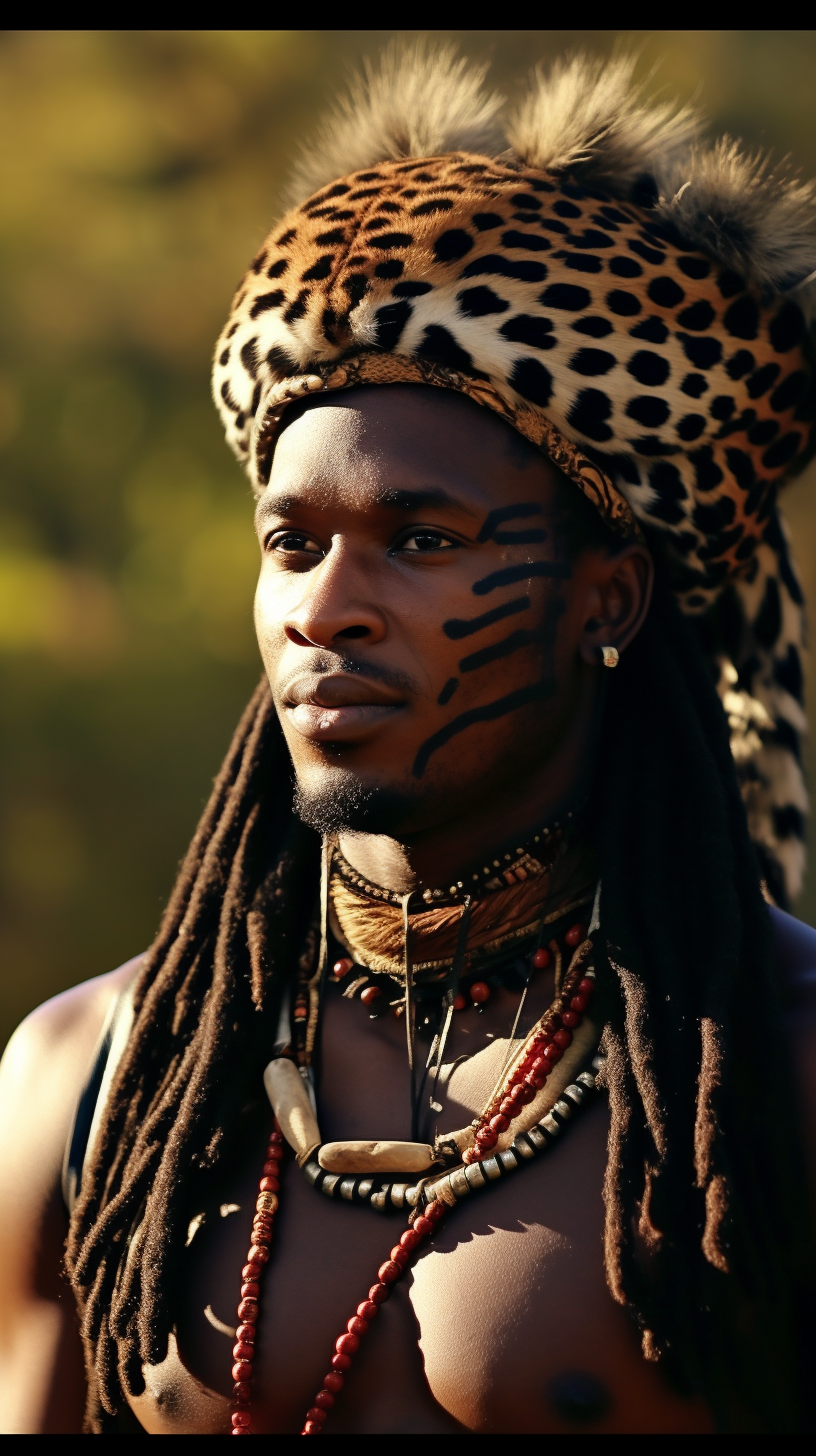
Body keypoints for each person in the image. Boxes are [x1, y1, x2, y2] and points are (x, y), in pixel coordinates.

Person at [1, 50, 815, 1436]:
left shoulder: (774, 1078)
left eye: (422, 542)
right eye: (291, 544)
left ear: (605, 598)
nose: (327, 611)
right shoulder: (92, 1077)